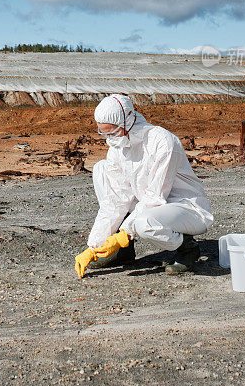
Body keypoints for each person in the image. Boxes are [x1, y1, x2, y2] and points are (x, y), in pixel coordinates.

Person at [75, 94, 214, 279]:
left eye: (113, 132)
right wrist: (94, 246)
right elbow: (115, 201)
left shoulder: (162, 142)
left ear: (128, 121)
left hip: (185, 208)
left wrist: (123, 234)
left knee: (145, 224)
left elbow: (155, 197)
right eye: (104, 133)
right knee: (101, 169)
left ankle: (187, 247)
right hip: (152, 206)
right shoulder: (118, 148)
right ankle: (123, 252)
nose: (110, 139)